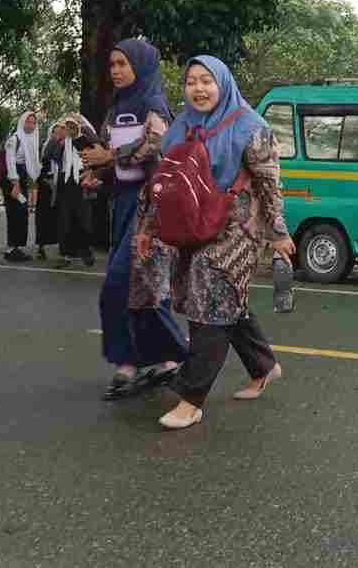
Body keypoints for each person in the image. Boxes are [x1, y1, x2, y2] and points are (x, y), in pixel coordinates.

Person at [135, 55, 294, 430]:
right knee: (220, 300)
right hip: (191, 225)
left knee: (209, 294)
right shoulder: (180, 129)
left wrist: (278, 232)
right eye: (191, 82)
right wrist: (146, 227)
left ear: (223, 83)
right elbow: (162, 184)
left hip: (239, 225)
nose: (199, 89)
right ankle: (264, 366)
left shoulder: (251, 127)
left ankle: (191, 398)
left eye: (207, 80)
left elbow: (270, 184)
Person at [80, 39, 189, 400]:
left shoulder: (153, 103)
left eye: (123, 64)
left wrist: (110, 157)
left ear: (140, 66)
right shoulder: (115, 109)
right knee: (142, 286)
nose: (115, 70)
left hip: (151, 207)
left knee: (120, 282)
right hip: (124, 204)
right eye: (112, 64)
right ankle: (165, 360)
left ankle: (138, 360)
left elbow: (157, 144)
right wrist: (98, 175)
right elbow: (112, 160)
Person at [51, 114, 98, 269]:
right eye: (67, 126)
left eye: (71, 125)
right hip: (65, 181)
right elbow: (50, 155)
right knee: (64, 219)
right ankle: (65, 254)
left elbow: (90, 152)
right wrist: (58, 138)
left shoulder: (84, 138)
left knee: (83, 218)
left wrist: (78, 134)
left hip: (81, 179)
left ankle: (85, 251)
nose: (68, 129)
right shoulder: (62, 141)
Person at [1, 111, 41, 263]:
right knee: (15, 213)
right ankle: (11, 249)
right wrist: (15, 183)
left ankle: (16, 247)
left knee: (21, 213)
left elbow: (31, 163)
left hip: (21, 178)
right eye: (28, 122)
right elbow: (10, 161)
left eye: (33, 123)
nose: (30, 125)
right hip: (13, 180)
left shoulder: (30, 140)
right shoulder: (14, 139)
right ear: (22, 122)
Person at [35, 123, 62, 261]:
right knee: (43, 218)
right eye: (54, 133)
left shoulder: (62, 147)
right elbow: (37, 171)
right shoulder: (45, 147)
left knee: (58, 218)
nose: (57, 135)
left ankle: (58, 248)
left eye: (59, 133)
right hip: (46, 187)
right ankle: (41, 248)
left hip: (58, 186)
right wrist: (47, 182)